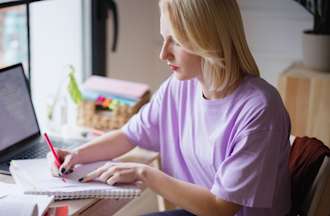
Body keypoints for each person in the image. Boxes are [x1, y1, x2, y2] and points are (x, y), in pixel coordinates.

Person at [50, 0, 292, 215]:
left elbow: (221, 208)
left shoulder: (260, 109)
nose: (163, 53)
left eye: (175, 40)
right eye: (164, 38)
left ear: (208, 39)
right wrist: (77, 155)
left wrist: (144, 173)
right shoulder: (178, 89)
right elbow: (127, 135)